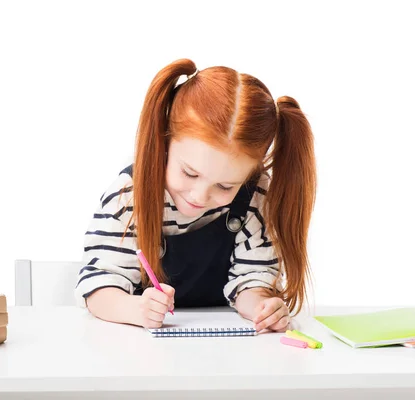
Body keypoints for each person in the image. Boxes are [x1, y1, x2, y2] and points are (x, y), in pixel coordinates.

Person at [74, 58, 316, 333]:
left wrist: (263, 308)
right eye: (189, 173)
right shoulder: (129, 195)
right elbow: (99, 286)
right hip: (139, 353)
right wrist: (136, 309)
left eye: (225, 186)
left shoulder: (254, 197)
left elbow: (252, 280)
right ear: (165, 139)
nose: (199, 196)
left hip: (223, 353)